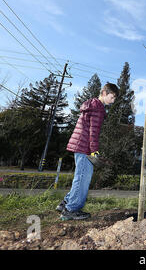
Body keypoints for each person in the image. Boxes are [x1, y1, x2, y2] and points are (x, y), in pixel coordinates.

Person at [56, 82, 119, 220]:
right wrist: (94, 151)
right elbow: (93, 132)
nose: (113, 101)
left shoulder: (92, 105)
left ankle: (65, 203)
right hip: (85, 147)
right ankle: (71, 209)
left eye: (115, 98)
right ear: (104, 93)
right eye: (112, 97)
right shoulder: (98, 108)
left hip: (80, 145)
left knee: (80, 176)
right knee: (83, 178)